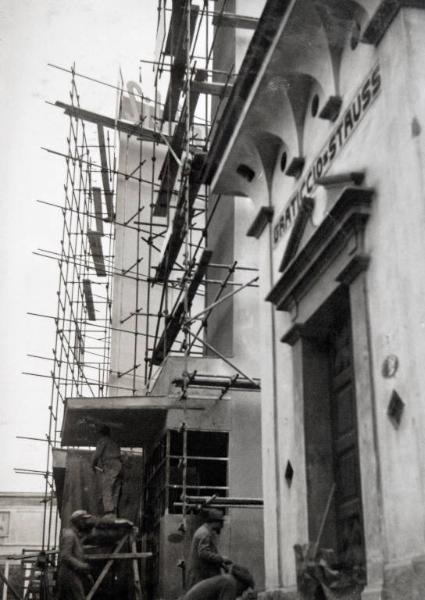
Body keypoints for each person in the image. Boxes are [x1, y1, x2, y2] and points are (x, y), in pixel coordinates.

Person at [187, 508, 232, 589]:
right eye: (221, 523)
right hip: (202, 576)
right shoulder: (205, 533)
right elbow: (204, 553)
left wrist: (222, 565)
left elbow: (208, 553)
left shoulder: (204, 531)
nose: (222, 526)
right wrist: (222, 559)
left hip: (201, 576)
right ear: (215, 522)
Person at [57, 510, 93, 600]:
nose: (85, 523)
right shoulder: (70, 535)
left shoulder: (75, 535)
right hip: (69, 574)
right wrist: (82, 566)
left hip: (72, 573)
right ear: (78, 521)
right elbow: (65, 556)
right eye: (83, 520)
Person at [91, 424, 122, 516]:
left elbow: (97, 454)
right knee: (115, 490)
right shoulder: (114, 442)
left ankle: (109, 512)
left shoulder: (103, 441)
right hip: (119, 465)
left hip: (110, 465)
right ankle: (114, 511)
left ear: (101, 433)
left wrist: (93, 464)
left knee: (107, 488)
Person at [184, 564, 255, 600]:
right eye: (243, 590)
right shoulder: (230, 583)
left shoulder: (227, 579)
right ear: (241, 584)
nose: (240, 594)